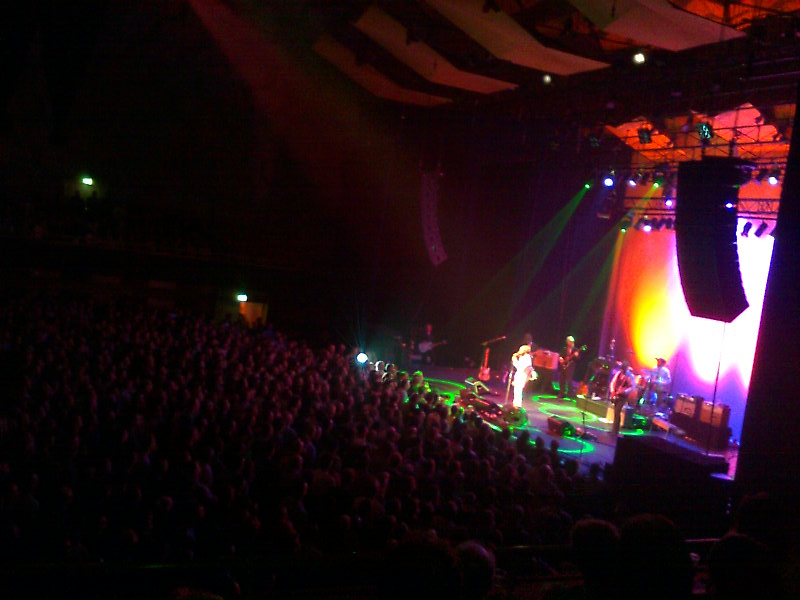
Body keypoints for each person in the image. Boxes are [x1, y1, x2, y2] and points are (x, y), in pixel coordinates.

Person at [609, 361, 636, 434]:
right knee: (616, 412)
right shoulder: (618, 374)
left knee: (617, 412)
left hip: (623, 396)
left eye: (624, 369)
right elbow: (613, 382)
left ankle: (615, 431)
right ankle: (615, 429)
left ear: (627, 368)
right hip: (616, 395)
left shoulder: (630, 376)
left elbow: (632, 387)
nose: (622, 370)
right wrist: (612, 391)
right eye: (622, 369)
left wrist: (625, 391)